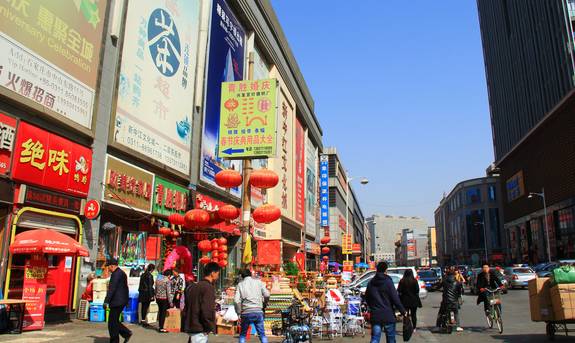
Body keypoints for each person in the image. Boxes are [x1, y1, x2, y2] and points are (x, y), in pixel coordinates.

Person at [365, 262, 406, 343]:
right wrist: (403, 311)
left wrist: (372, 307)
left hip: (376, 315)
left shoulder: (371, 283)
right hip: (388, 315)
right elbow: (395, 299)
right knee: (391, 339)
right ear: (385, 270)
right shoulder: (388, 282)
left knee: (375, 338)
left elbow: (367, 297)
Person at [184, 262, 221, 343]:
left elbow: (186, 306)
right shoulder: (208, 288)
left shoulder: (194, 286)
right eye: (217, 273)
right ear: (212, 273)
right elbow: (206, 310)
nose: (218, 276)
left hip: (192, 324)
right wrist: (210, 326)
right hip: (200, 327)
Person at [234, 269, 270, 343]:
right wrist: (264, 303)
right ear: (250, 274)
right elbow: (267, 294)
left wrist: (238, 312)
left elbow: (236, 300)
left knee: (243, 334)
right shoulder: (259, 282)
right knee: (262, 334)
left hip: (246, 312)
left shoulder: (240, 285)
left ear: (241, 276)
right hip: (258, 311)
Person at [104, 258, 132, 343]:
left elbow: (112, 289)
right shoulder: (122, 273)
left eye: (108, 267)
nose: (108, 269)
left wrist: (106, 301)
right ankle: (126, 333)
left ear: (112, 266)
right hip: (121, 301)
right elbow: (126, 288)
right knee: (114, 321)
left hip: (116, 301)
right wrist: (126, 301)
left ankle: (116, 340)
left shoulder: (115, 275)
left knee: (112, 323)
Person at [440, 267, 463, 332]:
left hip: (446, 300)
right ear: (454, 275)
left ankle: (441, 325)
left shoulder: (444, 281)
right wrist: (458, 296)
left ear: (447, 275)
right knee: (456, 313)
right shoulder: (457, 282)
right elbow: (459, 292)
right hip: (454, 301)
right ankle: (458, 326)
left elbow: (438, 286)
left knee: (442, 312)